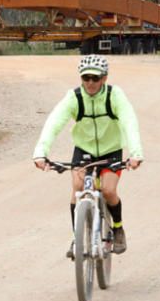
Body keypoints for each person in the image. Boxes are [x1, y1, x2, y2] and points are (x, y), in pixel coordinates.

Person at [33, 54, 143, 257]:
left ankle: (117, 228)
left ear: (104, 78)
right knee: (78, 188)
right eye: (86, 78)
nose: (90, 83)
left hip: (111, 151)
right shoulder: (74, 97)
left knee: (109, 191)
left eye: (95, 78)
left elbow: (129, 121)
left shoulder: (114, 96)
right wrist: (41, 153)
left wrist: (135, 153)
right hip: (84, 151)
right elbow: (54, 123)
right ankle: (78, 238)